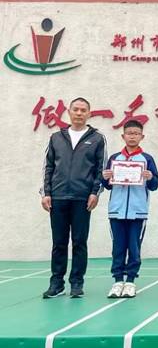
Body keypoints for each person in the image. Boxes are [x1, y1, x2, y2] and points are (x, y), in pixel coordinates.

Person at [40, 97, 107, 298]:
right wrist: (46, 193)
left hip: (82, 198)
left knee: (79, 242)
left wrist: (95, 192)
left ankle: (77, 283)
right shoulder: (56, 137)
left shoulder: (97, 139)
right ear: (69, 112)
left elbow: (101, 169)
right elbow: (48, 166)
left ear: (89, 113)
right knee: (59, 243)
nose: (79, 113)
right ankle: (56, 283)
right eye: (75, 109)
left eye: (83, 110)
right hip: (58, 197)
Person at [101, 120, 158, 298]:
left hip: (138, 211)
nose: (132, 136)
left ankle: (131, 281)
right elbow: (107, 185)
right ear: (123, 136)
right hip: (116, 211)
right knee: (118, 247)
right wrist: (105, 177)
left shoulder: (147, 159)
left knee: (134, 247)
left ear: (142, 136)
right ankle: (118, 280)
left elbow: (155, 185)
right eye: (129, 133)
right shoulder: (114, 159)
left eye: (136, 133)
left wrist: (150, 177)